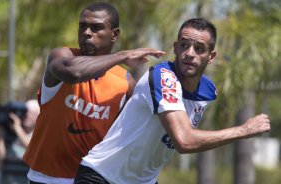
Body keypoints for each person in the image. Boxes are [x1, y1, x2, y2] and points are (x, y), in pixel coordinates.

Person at [74, 18, 271, 184]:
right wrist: (244, 130)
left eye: (199, 48)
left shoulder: (209, 92)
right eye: (184, 45)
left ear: (210, 57)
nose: (190, 53)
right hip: (102, 176)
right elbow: (184, 141)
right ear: (175, 48)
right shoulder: (163, 78)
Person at [23, 2, 165, 184]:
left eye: (96, 28)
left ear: (114, 35)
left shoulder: (126, 83)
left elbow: (129, 137)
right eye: (83, 26)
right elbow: (73, 73)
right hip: (47, 178)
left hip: (94, 179)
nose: (87, 33)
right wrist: (122, 55)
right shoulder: (62, 57)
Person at [0, 99, 39, 184]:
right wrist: (1, 134)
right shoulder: (10, 132)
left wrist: (18, 129)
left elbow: (33, 149)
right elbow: (1, 158)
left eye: (32, 113)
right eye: (26, 111)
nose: (28, 115)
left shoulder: (39, 135)